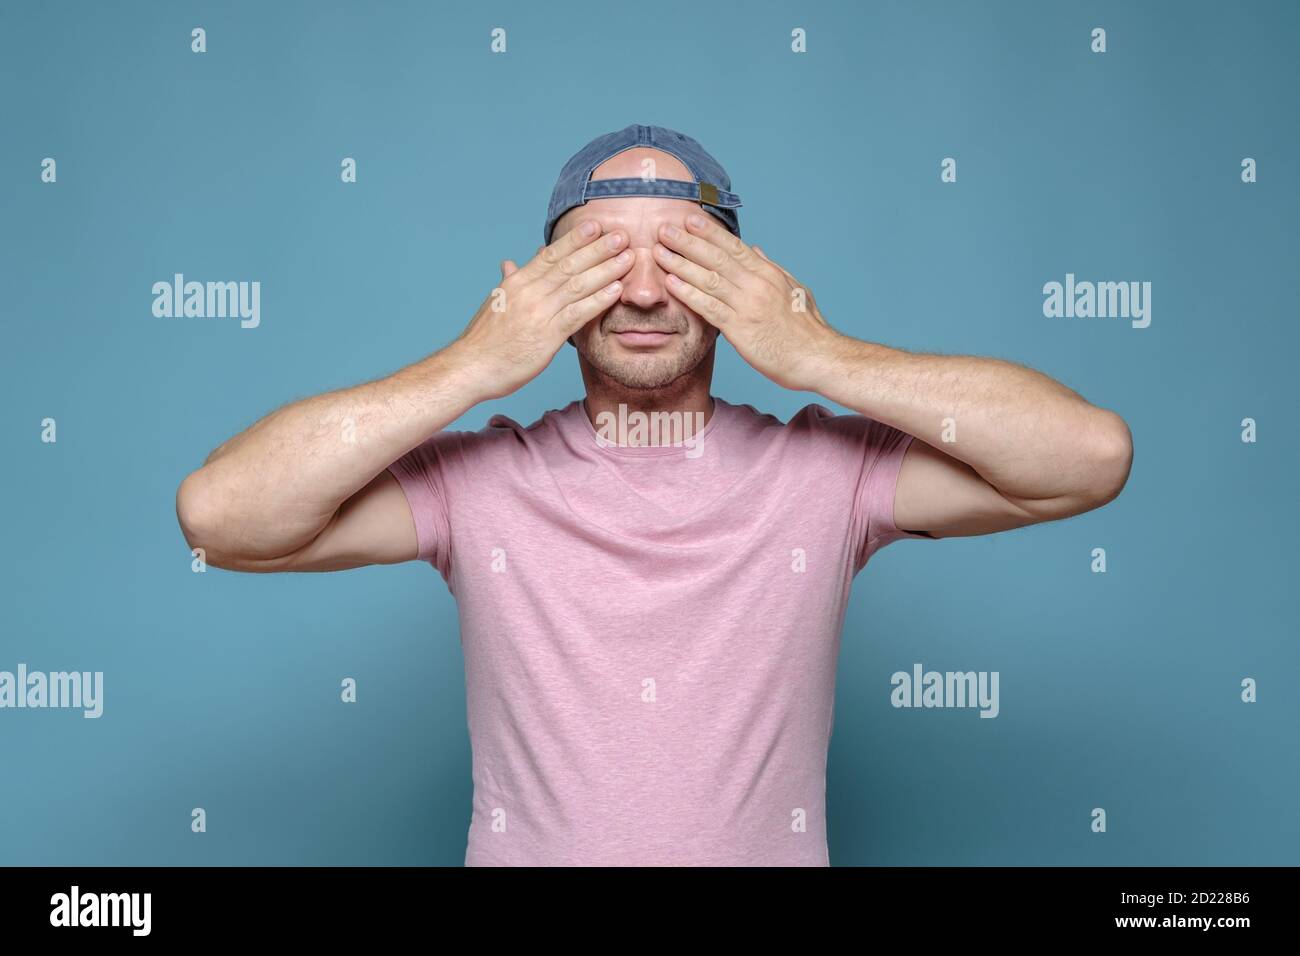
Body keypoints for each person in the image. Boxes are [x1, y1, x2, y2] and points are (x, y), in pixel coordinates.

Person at [176, 124, 1133, 866]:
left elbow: (1088, 456)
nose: (641, 292)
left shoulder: (827, 478)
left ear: (739, 282)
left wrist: (821, 355)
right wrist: (469, 366)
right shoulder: (479, 486)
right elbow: (221, 516)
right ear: (543, 287)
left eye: (680, 256)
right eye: (599, 257)